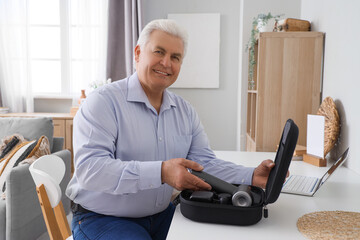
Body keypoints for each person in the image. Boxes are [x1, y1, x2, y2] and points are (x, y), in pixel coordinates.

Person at [66, 19, 276, 240]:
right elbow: (91, 170)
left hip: (162, 214)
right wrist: (161, 172)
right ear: (138, 53)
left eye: (175, 57)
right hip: (102, 218)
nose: (166, 63)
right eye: (159, 52)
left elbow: (205, 165)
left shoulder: (185, 111)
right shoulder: (102, 103)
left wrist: (252, 175)